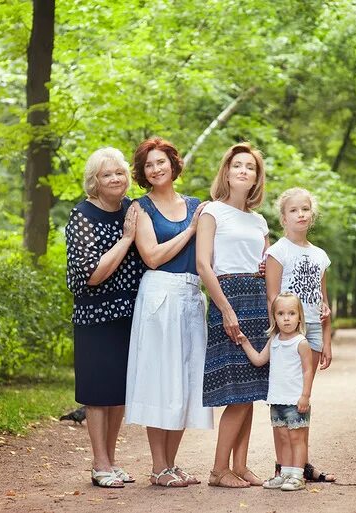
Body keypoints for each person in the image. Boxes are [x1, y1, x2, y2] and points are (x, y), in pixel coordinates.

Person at [124, 137, 213, 488]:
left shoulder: (196, 205)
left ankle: (172, 464)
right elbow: (152, 256)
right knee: (159, 380)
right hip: (159, 296)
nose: (156, 169)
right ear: (143, 172)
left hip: (192, 295)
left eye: (161, 162)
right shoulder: (140, 208)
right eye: (149, 165)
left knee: (185, 381)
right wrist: (191, 229)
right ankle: (158, 466)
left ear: (173, 165)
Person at [65, 147, 144, 489]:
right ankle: (99, 464)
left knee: (119, 392)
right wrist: (126, 239)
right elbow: (92, 275)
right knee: (98, 393)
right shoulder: (82, 215)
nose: (116, 179)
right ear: (94, 182)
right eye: (107, 174)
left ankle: (111, 460)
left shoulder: (133, 209)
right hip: (95, 315)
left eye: (120, 173)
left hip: (130, 313)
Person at [196, 142, 270, 488]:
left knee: (251, 392)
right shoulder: (212, 212)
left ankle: (240, 465)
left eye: (250, 167)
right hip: (228, 299)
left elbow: (267, 264)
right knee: (236, 393)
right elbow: (203, 265)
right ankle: (217, 470)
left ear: (257, 178)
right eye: (237, 165)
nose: (243, 171)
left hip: (256, 298)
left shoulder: (259, 221)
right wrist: (225, 309)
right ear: (226, 172)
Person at [265, 187, 336, 483]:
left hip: (313, 332)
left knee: (302, 398)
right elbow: (272, 299)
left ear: (312, 214)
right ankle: (284, 466)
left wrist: (327, 340)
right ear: (283, 217)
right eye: (294, 210)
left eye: (305, 209)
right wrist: (280, 335)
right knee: (284, 396)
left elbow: (323, 303)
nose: (301, 214)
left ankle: (300, 465)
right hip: (286, 333)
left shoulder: (320, 256)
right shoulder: (277, 252)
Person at [237, 292, 314, 492]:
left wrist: (305, 395)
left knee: (297, 438)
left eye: (291, 313)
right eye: (281, 313)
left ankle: (298, 475)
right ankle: (285, 473)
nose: (286, 318)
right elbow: (259, 360)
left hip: (296, 401)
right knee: (282, 438)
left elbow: (308, 370)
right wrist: (245, 342)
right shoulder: (274, 340)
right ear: (274, 317)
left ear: (299, 317)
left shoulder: (301, 342)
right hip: (277, 400)